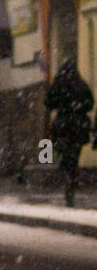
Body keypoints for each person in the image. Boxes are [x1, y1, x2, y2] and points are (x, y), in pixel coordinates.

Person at [44, 59, 94, 207]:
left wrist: (61, 105)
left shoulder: (58, 84)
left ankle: (67, 173)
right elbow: (90, 103)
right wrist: (78, 107)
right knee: (74, 153)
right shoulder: (81, 85)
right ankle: (71, 175)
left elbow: (48, 103)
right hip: (78, 126)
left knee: (64, 152)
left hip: (63, 126)